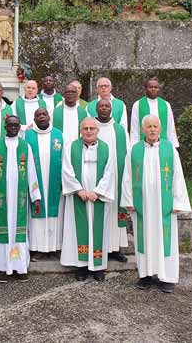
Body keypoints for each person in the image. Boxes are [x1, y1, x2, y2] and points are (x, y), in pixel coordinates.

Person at [121, 115, 190, 293]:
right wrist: (128, 200)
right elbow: (127, 177)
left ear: (160, 129)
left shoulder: (170, 149)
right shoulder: (134, 150)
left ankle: (167, 277)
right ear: (142, 129)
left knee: (165, 239)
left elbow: (177, 176)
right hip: (142, 204)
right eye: (148, 126)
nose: (152, 129)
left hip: (164, 205)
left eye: (155, 126)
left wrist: (178, 201)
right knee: (143, 238)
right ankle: (145, 275)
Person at [0, 115, 41, 282]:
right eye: (10, 125)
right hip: (1, 197)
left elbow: (31, 172)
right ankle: (3, 267)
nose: (14, 127)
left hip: (20, 197)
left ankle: (20, 267)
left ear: (19, 127)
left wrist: (35, 197)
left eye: (16, 125)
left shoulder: (25, 146)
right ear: (5, 127)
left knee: (19, 232)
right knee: (2, 232)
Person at [60, 118, 115, 281]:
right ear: (80, 130)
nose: (89, 131)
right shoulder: (71, 147)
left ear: (98, 130)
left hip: (97, 197)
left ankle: (98, 268)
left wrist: (97, 192)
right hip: (79, 196)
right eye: (85, 128)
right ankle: (81, 267)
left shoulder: (106, 148)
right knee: (78, 232)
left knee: (99, 231)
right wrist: (79, 190)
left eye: (92, 128)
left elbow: (109, 172)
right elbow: (67, 170)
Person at [25, 108, 63, 259]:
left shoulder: (59, 135)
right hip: (36, 182)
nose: (41, 117)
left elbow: (65, 159)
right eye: (38, 115)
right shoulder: (28, 136)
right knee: (37, 214)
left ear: (49, 117)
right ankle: (38, 248)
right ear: (34, 119)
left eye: (44, 114)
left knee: (55, 214)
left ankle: (55, 247)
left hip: (54, 182)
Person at [94, 99, 129, 262]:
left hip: (116, 177)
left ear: (111, 109)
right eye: (101, 106)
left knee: (115, 210)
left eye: (107, 106)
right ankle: (99, 247)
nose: (104, 108)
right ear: (96, 109)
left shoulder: (119, 130)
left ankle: (115, 249)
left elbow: (127, 152)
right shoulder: (91, 127)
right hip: (96, 178)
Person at [130, 77, 179, 148]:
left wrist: (173, 145)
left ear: (158, 89)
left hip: (163, 145)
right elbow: (134, 127)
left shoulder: (166, 105)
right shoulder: (137, 105)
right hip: (144, 145)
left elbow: (170, 126)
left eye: (156, 87)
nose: (153, 89)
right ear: (146, 88)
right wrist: (133, 146)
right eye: (150, 87)